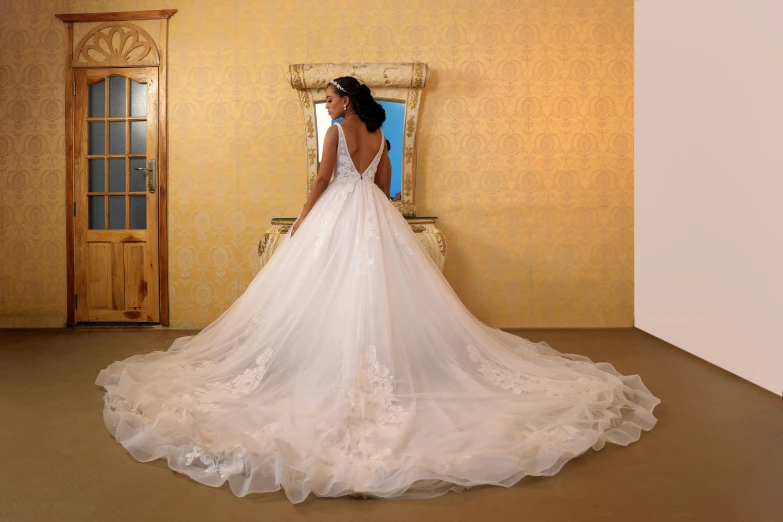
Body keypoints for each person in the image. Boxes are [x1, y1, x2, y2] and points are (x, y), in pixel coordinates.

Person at [96, 76, 660, 504]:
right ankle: (380, 372)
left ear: (345, 102)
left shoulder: (337, 132)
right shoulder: (381, 136)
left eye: (330, 97)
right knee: (382, 298)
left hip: (337, 213)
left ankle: (332, 371)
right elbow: (386, 191)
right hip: (372, 215)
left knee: (318, 295)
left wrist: (300, 224)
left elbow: (320, 180)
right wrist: (369, 205)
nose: (326, 103)